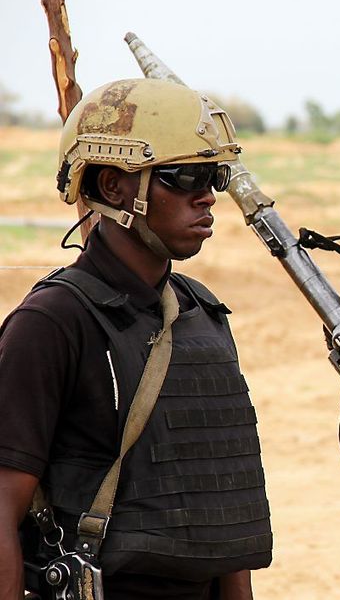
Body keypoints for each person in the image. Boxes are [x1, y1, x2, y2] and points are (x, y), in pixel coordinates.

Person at [0, 79, 273, 600]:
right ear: (112, 187)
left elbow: (224, 512)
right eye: (184, 175)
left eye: (213, 174)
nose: (207, 195)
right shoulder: (51, 323)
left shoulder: (200, 311)